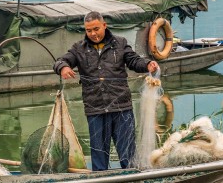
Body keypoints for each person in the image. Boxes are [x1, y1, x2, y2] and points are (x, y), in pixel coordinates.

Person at [53, 12, 159, 171]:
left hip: (121, 107)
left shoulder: (120, 43)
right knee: (99, 156)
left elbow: (134, 61)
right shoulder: (78, 48)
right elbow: (60, 61)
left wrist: (147, 64)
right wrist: (63, 67)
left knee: (128, 154)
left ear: (104, 25)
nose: (93, 34)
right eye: (89, 30)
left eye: (96, 29)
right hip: (95, 108)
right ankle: (100, 182)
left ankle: (132, 182)